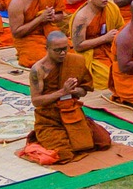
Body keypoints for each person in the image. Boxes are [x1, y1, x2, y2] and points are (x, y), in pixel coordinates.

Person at [28, 30, 113, 164]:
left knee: (103, 141)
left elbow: (84, 90)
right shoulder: (38, 69)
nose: (62, 53)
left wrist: (74, 91)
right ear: (47, 49)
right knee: (64, 154)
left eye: (65, 49)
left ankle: (73, 133)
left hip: (72, 112)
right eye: (57, 50)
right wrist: (62, 91)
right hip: (49, 118)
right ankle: (39, 140)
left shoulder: (75, 61)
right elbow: (36, 101)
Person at [8, 0, 65, 68]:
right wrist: (39, 19)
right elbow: (17, 32)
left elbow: (60, 16)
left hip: (50, 33)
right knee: (43, 60)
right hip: (29, 39)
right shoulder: (17, 3)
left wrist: (52, 17)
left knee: (70, 53)